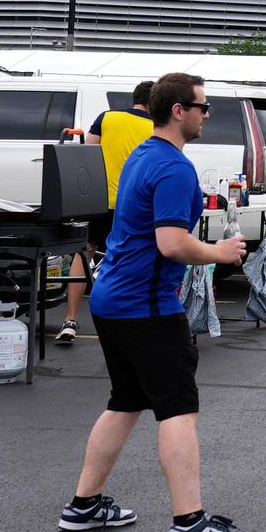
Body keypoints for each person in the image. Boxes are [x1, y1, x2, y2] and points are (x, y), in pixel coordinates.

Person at [58, 73, 252, 532]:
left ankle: (84, 505)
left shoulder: (145, 155)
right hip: (144, 306)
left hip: (112, 300)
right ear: (178, 111)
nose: (208, 115)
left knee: (125, 402)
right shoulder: (171, 167)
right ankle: (189, 523)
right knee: (178, 409)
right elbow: (171, 243)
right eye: (202, 107)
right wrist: (221, 252)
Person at [57, 80, 155, 344]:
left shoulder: (107, 117)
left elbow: (87, 154)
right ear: (154, 102)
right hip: (133, 205)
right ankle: (124, 321)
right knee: (127, 256)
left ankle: (70, 320)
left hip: (100, 201)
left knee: (85, 251)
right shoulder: (156, 128)